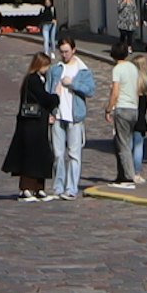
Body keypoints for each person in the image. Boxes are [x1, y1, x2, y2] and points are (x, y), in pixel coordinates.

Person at [4, 54, 58, 201]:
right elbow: (43, 98)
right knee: (31, 155)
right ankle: (27, 187)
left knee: (40, 155)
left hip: (36, 123)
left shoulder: (36, 79)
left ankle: (38, 187)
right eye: (46, 66)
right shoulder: (33, 79)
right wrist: (55, 98)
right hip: (32, 123)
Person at [50, 42, 93, 196]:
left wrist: (73, 84)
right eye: (61, 52)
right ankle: (58, 186)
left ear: (73, 50)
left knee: (74, 154)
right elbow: (48, 90)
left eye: (67, 51)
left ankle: (71, 188)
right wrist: (50, 110)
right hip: (58, 115)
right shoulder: (55, 69)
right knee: (58, 154)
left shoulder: (82, 70)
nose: (64, 55)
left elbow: (90, 90)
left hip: (75, 117)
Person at [109, 43, 147, 184]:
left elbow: (115, 91)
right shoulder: (133, 68)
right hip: (134, 109)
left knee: (123, 144)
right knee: (124, 141)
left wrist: (109, 108)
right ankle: (122, 175)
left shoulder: (117, 69)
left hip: (122, 108)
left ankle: (128, 176)